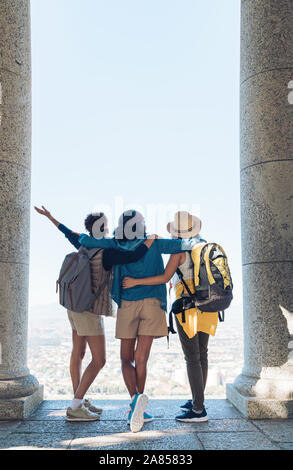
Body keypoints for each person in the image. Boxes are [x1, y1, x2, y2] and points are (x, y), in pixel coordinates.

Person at [78, 210, 196, 432]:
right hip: (152, 304)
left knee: (126, 358)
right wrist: (196, 237)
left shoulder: (115, 244)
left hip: (129, 304)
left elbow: (86, 239)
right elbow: (183, 246)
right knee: (141, 359)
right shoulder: (154, 241)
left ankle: (135, 402)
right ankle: (138, 406)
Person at [34, 206, 154, 422]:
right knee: (99, 360)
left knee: (78, 353)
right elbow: (134, 255)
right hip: (89, 310)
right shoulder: (107, 252)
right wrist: (150, 239)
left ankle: (79, 399)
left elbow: (67, 232)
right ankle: (75, 406)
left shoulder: (83, 243)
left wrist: (51, 217)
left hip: (72, 307)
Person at [122, 211, 219, 423]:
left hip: (188, 307)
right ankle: (197, 400)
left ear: (176, 232)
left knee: (192, 357)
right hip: (210, 305)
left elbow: (165, 277)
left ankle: (198, 410)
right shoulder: (204, 245)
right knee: (203, 354)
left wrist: (136, 282)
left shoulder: (179, 250)